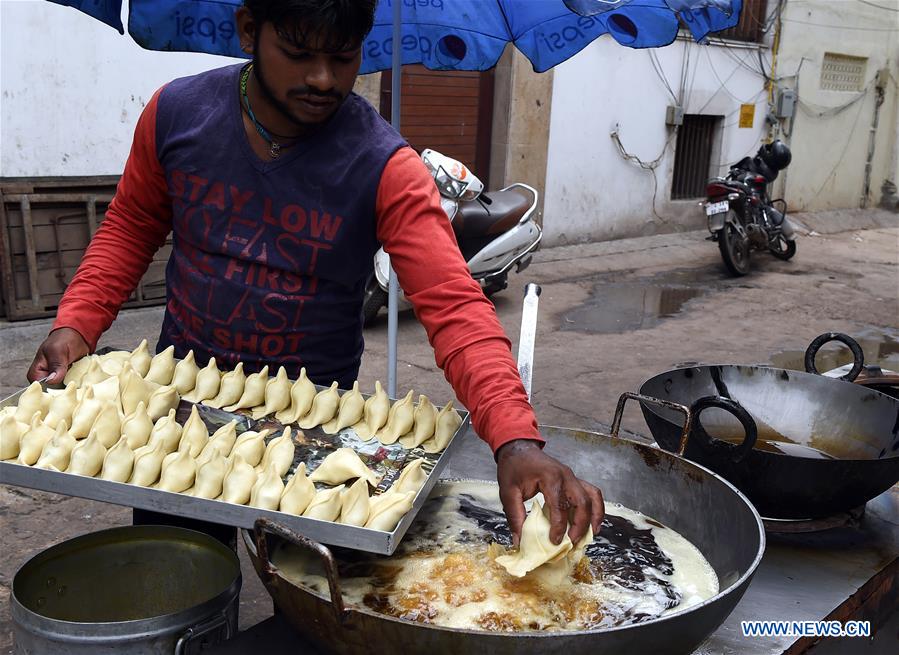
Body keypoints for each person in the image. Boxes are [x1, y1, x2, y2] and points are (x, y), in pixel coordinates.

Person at [27, 0, 603, 546]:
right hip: (177, 406)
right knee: (179, 577)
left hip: (313, 427)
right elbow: (130, 227)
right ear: (250, 29)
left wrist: (514, 438)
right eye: (301, 54)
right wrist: (76, 325)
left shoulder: (385, 166)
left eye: (343, 55)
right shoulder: (176, 115)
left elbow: (453, 306)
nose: (324, 79)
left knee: (310, 598)